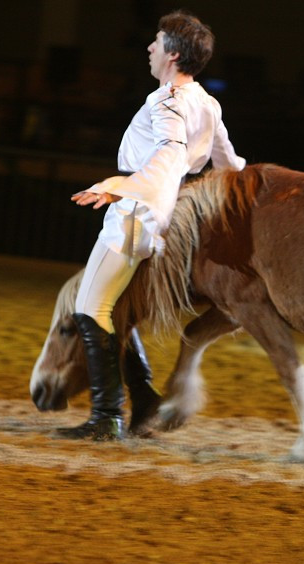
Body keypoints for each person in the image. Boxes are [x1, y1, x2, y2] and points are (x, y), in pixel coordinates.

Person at [62, 10, 245, 441]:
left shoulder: (165, 102)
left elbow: (166, 159)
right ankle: (142, 397)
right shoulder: (207, 102)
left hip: (136, 213)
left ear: (173, 54)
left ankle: (107, 416)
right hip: (159, 214)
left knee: (91, 308)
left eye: (157, 42)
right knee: (111, 310)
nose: (149, 48)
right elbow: (230, 165)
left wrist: (114, 187)